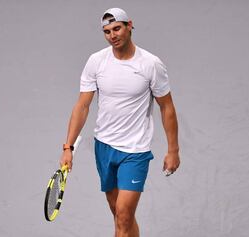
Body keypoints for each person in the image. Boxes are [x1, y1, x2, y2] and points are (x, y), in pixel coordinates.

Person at [59, 7, 180, 237]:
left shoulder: (150, 64)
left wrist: (173, 150)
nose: (112, 35)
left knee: (124, 215)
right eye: (107, 31)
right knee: (119, 215)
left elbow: (167, 107)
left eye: (117, 28)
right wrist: (68, 146)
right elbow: (82, 106)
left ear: (129, 26)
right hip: (104, 147)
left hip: (135, 151)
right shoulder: (96, 62)